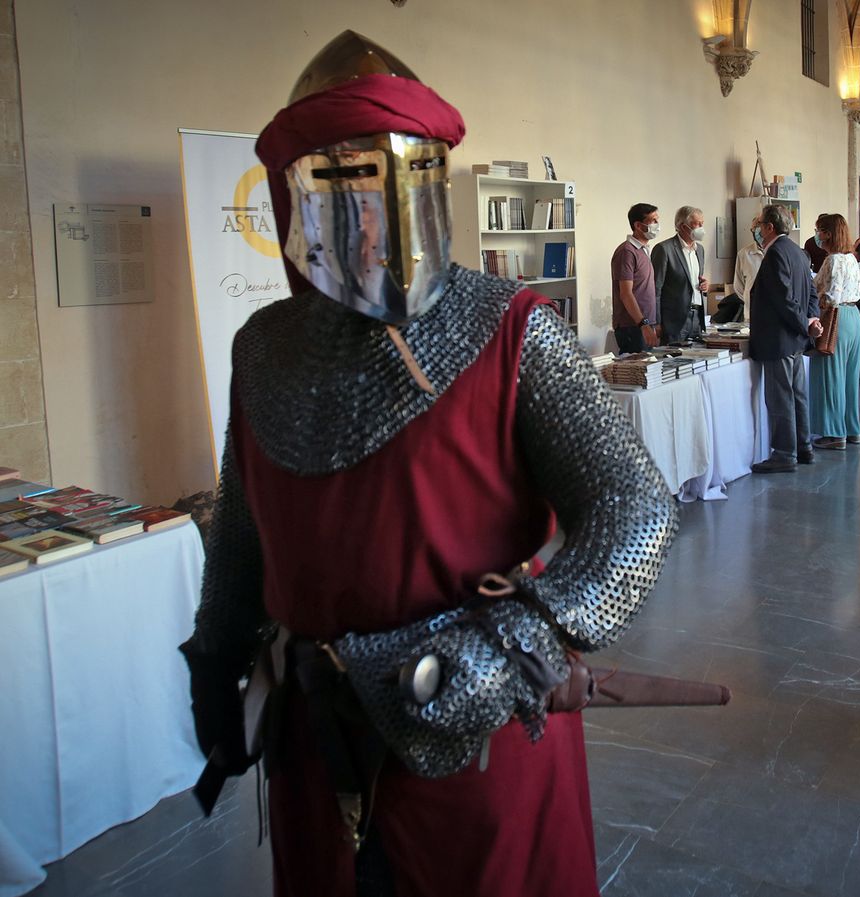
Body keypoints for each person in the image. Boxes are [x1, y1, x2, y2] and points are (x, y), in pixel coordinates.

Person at [179, 31, 679, 897]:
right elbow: (245, 525)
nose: (381, 209)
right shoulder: (263, 348)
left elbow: (633, 506)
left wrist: (519, 639)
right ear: (296, 193)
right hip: (315, 738)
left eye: (408, 174)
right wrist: (218, 652)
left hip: (478, 735)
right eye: (347, 180)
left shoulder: (513, 327)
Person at [749, 204, 823, 473]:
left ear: (769, 227)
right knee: (798, 395)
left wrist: (806, 322)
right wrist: (811, 320)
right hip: (794, 338)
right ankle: (804, 447)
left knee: (780, 398)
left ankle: (784, 453)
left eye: (759, 224)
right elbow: (811, 293)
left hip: (778, 337)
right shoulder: (798, 252)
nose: (756, 229)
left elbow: (783, 299)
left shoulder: (776, 253)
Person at [808, 213, 860, 449]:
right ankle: (851, 428)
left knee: (831, 375)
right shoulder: (851, 258)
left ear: (828, 233)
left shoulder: (832, 260)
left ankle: (833, 433)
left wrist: (815, 302)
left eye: (820, 230)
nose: (817, 235)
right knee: (849, 377)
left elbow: (830, 296)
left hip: (835, 317)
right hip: (853, 317)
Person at [651, 205, 709, 343]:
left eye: (702, 223)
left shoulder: (699, 250)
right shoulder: (664, 249)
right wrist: (656, 322)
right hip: (674, 320)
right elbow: (655, 289)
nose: (702, 228)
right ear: (683, 226)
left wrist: (705, 285)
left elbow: (693, 281)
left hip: (697, 316)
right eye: (698, 224)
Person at [612, 202, 660, 352]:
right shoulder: (627, 252)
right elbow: (626, 294)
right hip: (633, 326)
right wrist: (643, 324)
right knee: (636, 373)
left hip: (646, 323)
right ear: (638, 226)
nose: (657, 225)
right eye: (653, 221)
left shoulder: (644, 250)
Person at [727, 214, 766, 323]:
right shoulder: (744, 254)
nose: (757, 231)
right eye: (754, 228)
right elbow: (739, 287)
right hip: (751, 314)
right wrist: (750, 301)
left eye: (759, 225)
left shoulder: (776, 252)